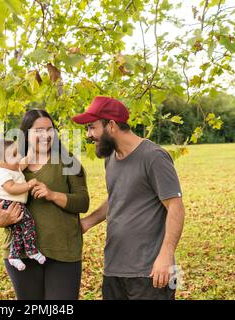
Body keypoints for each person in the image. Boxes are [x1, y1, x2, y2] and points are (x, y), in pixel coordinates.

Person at [73, 96, 186, 300]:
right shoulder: (111, 158)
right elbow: (118, 197)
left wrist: (166, 255)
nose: (89, 135)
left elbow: (175, 207)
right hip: (114, 268)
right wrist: (87, 222)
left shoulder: (153, 157)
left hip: (150, 271)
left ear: (112, 125)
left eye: (92, 127)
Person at [0, 109, 89, 300]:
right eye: (38, 130)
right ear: (26, 133)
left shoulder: (67, 161)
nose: (45, 135)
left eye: (49, 129)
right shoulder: (12, 163)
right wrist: (0, 220)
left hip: (63, 250)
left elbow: (83, 202)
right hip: (21, 254)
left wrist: (52, 194)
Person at [0, 138, 46, 271]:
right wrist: (29, 185)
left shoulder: (13, 168)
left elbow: (23, 163)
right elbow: (11, 188)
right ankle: (31, 250)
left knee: (19, 231)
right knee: (28, 223)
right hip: (7, 204)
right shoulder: (2, 172)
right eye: (14, 155)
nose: (19, 157)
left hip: (14, 203)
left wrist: (32, 152)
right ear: (0, 162)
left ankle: (14, 256)